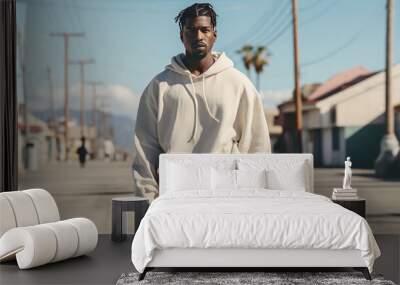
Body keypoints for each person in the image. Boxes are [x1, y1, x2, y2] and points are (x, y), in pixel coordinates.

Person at [132, 3, 271, 200]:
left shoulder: (239, 84)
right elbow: (145, 148)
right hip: (172, 197)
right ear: (181, 35)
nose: (198, 36)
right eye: (191, 30)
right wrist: (148, 200)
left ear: (214, 34)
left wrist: (251, 198)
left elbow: (257, 146)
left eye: (205, 30)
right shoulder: (160, 86)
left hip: (227, 198)